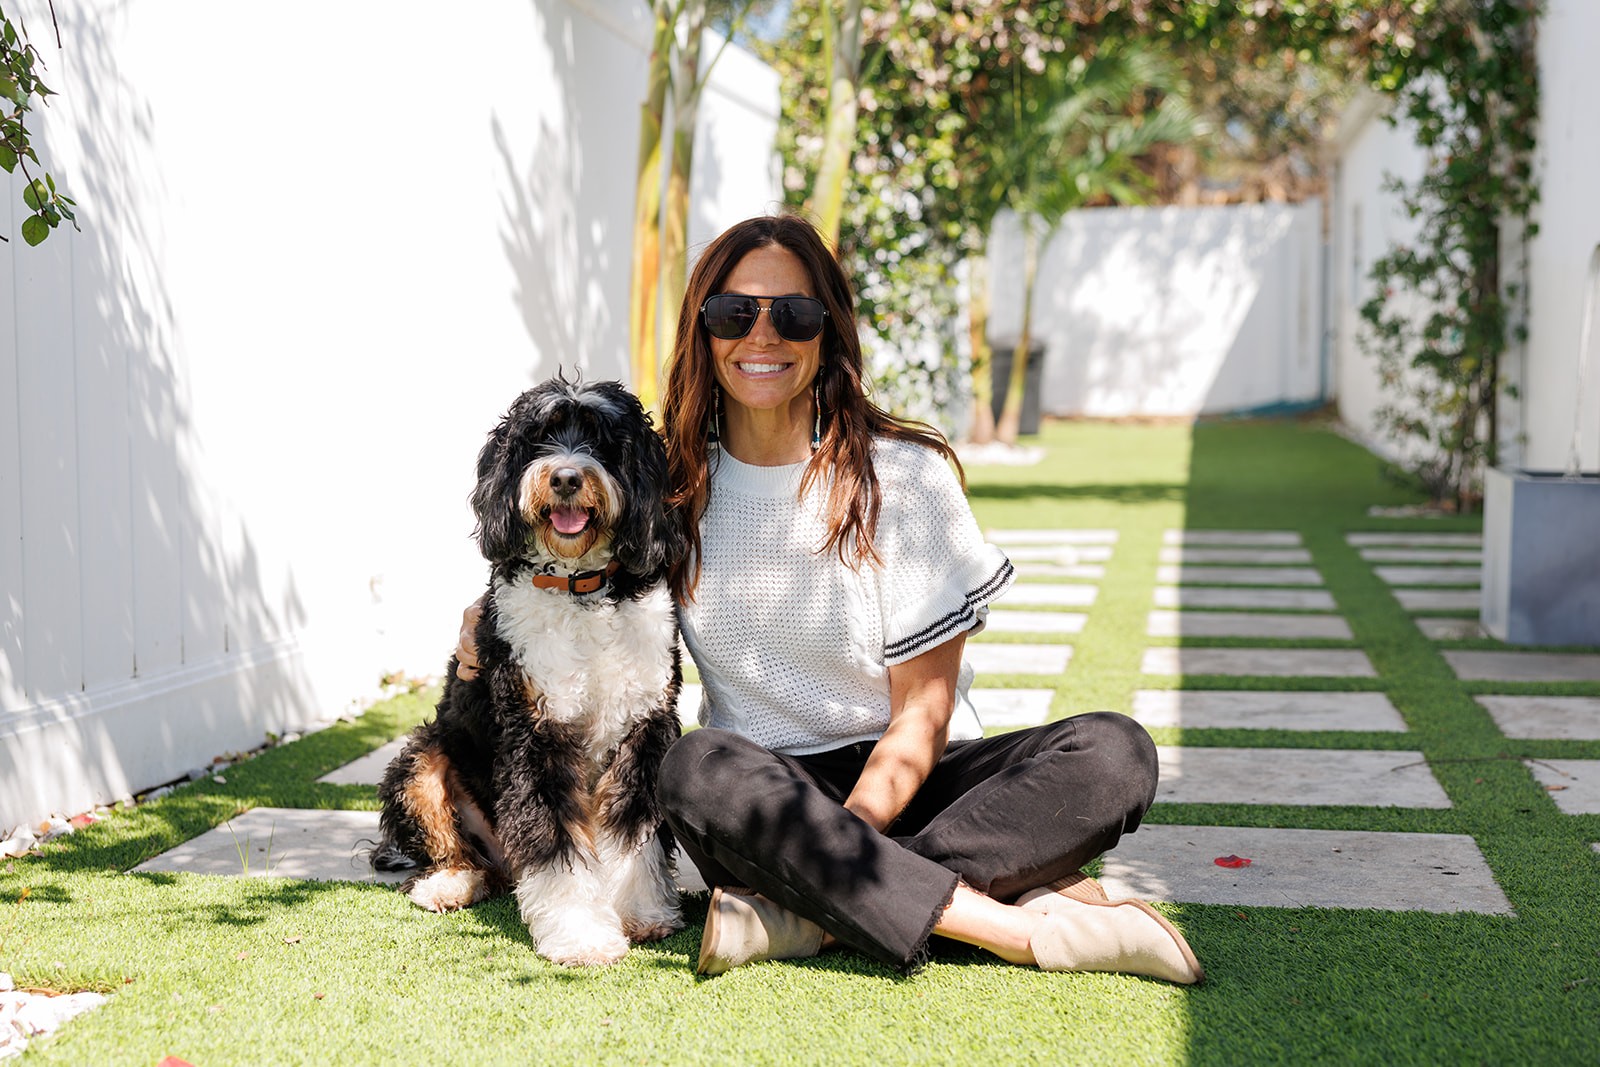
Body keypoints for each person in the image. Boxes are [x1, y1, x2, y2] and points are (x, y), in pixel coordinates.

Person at [459, 214, 1201, 983]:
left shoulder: (907, 476)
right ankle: (1017, 929)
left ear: (829, 329)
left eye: (795, 314)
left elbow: (924, 712)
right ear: (704, 331)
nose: (763, 335)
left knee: (1116, 753)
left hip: (920, 786)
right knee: (693, 766)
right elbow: (573, 570)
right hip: (763, 792)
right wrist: (481, 623)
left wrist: (845, 850)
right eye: (734, 312)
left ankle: (807, 909)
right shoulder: (674, 489)